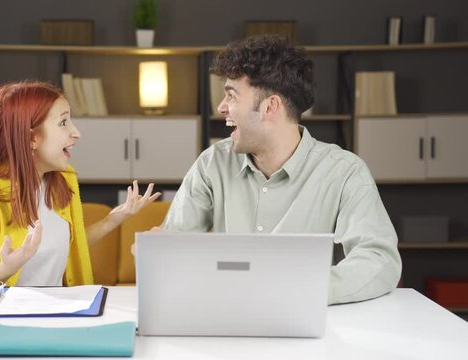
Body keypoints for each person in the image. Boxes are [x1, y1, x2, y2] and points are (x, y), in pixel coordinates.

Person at [160, 35, 401, 305]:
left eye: (231, 96)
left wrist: (303, 290)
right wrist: (159, 250)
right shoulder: (211, 164)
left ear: (270, 107)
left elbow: (380, 260)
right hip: (226, 319)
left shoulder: (344, 172)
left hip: (308, 326)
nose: (221, 107)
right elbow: (174, 248)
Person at [0, 81, 160, 287]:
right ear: (31, 138)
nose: (77, 133)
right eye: (63, 122)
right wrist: (5, 269)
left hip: (56, 317)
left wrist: (114, 219)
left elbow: (71, 245)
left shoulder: (61, 177)